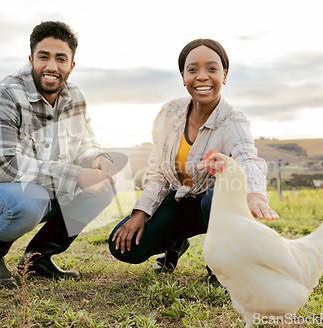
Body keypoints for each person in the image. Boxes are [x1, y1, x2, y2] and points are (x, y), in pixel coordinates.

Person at [0, 21, 124, 288]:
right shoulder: (4, 94)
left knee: (104, 188)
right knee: (28, 201)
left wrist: (97, 160)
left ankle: (37, 259)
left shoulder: (75, 96)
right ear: (32, 59)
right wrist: (78, 174)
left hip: (42, 188)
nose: (51, 66)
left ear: (71, 65)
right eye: (44, 57)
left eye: (61, 59)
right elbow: (5, 167)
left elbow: (85, 145)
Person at [108, 39, 279, 286]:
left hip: (213, 204)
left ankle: (221, 268)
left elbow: (247, 158)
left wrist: (255, 196)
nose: (202, 77)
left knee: (218, 196)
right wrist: (140, 212)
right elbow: (157, 169)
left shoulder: (233, 121)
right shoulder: (169, 112)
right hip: (177, 199)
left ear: (224, 74)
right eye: (192, 69)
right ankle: (176, 241)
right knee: (123, 247)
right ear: (183, 76)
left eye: (212, 69)